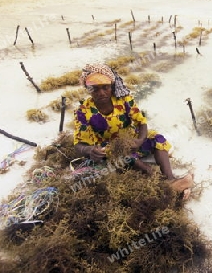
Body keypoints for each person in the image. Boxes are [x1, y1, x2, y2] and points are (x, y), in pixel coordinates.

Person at [73, 63, 193, 199]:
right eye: (95, 89)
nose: (101, 93)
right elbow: (79, 144)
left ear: (111, 86)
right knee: (126, 158)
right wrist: (90, 151)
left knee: (158, 139)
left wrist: (140, 140)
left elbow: (141, 122)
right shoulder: (83, 111)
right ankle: (167, 185)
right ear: (88, 89)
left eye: (105, 88)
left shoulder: (124, 100)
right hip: (109, 150)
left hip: (130, 141)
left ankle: (170, 178)